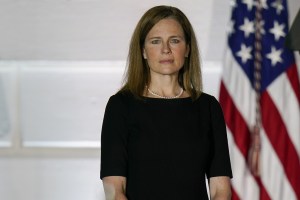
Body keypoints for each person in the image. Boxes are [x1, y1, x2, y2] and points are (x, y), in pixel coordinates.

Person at [100, 5, 232, 200]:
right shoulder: (121, 106)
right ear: (143, 51)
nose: (165, 50)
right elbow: (114, 190)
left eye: (175, 40)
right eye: (155, 41)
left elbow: (221, 190)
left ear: (187, 48)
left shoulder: (208, 107)